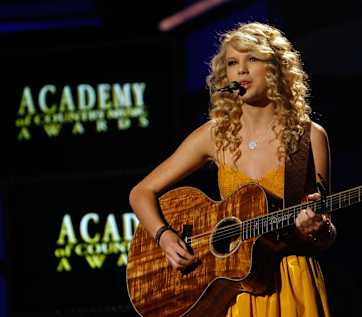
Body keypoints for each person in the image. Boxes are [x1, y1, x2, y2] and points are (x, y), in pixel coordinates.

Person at [129, 22, 336, 317]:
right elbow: (141, 192)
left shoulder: (310, 136)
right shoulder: (214, 136)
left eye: (252, 59)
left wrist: (318, 229)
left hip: (292, 283)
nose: (240, 70)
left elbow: (325, 232)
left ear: (277, 68)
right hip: (233, 292)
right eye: (232, 63)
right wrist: (163, 235)